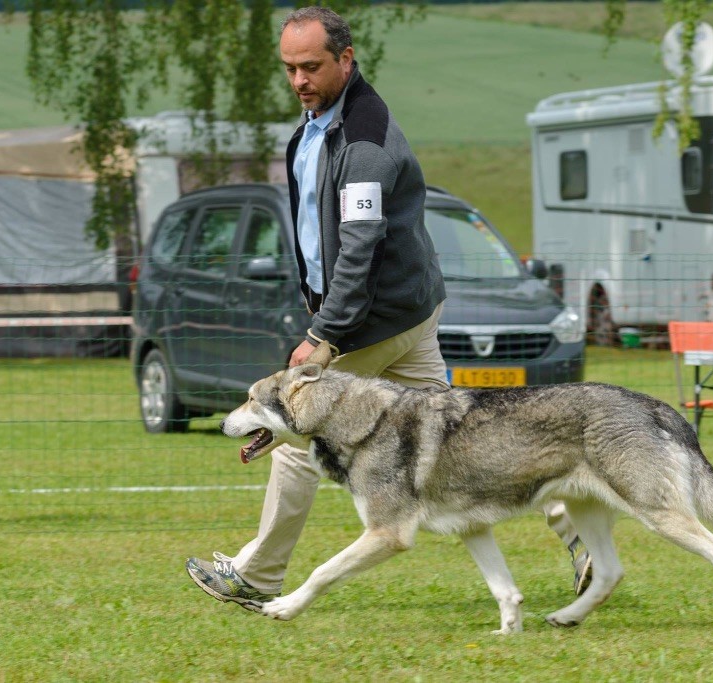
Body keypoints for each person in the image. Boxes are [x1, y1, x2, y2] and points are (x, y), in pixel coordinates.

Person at [185, 6, 591, 612]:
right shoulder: (314, 127)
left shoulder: (367, 142)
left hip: (369, 320)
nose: (299, 80)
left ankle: (259, 575)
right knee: (461, 445)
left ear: (346, 60)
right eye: (290, 68)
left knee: (296, 435)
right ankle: (570, 526)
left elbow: (359, 247)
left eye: (312, 67)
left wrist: (323, 335)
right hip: (407, 314)